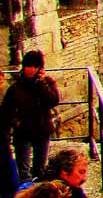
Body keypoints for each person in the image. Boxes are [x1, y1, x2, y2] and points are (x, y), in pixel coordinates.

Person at [2, 52, 59, 180]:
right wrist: (15, 122)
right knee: (23, 170)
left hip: (42, 130)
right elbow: (6, 110)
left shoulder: (47, 83)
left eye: (35, 67)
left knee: (40, 169)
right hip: (23, 132)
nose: (31, 70)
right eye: (29, 66)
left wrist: (42, 83)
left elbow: (53, 100)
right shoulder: (16, 87)